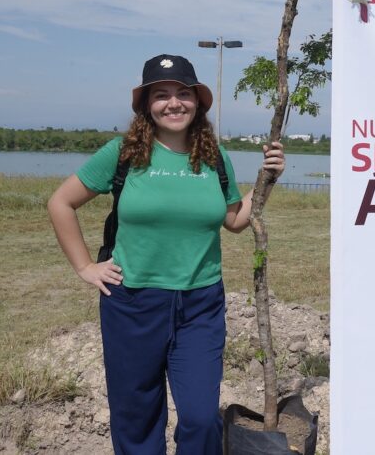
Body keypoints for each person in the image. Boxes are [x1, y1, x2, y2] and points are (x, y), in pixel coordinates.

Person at [47, 54, 284, 455]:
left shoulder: (214, 157)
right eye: (161, 94)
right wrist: (85, 267)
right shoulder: (122, 153)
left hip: (201, 305)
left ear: (197, 102)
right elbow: (61, 203)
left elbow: (234, 220)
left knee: (200, 417)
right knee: (136, 416)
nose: (174, 103)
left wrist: (267, 178)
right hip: (132, 303)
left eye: (183, 93)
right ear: (146, 105)